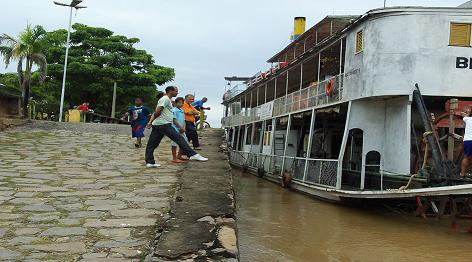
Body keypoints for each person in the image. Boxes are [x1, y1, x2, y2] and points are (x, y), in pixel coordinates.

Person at [145, 86, 208, 168]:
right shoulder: (165, 99)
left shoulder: (168, 100)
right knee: (179, 138)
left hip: (158, 124)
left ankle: (150, 162)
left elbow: (164, 113)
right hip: (163, 124)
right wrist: (151, 121)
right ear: (170, 91)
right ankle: (192, 154)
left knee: (152, 144)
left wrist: (151, 122)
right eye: (176, 91)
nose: (177, 93)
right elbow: (157, 111)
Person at [171, 97, 188, 164]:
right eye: (179, 102)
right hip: (175, 129)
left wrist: (184, 128)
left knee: (184, 142)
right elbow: (174, 120)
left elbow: (184, 120)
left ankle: (179, 155)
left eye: (182, 103)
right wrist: (180, 128)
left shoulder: (182, 110)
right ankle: (174, 158)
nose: (181, 104)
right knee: (174, 143)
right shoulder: (174, 110)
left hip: (182, 129)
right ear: (175, 103)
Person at [461, 107, 472, 178]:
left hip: (467, 141)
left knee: (466, 157)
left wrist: (467, 113)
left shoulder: (467, 119)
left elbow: (463, 115)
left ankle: (462, 174)